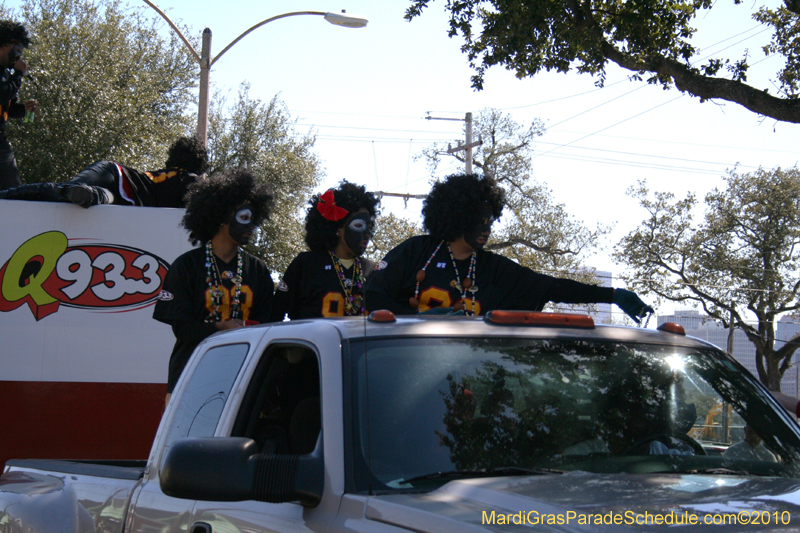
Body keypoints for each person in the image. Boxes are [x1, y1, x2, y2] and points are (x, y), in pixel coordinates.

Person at [364, 173, 654, 320]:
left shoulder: (493, 268)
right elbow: (373, 295)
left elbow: (550, 287)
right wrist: (417, 320)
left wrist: (613, 295)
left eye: (491, 220)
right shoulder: (416, 251)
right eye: (480, 220)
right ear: (457, 215)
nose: (487, 228)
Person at [153, 168, 274, 396]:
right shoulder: (187, 266)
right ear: (221, 217)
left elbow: (268, 323)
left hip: (240, 380)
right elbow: (181, 328)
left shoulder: (257, 270)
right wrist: (219, 328)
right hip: (190, 376)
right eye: (245, 218)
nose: (251, 226)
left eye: (254, 219)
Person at [269, 180, 380, 321]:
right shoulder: (306, 265)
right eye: (359, 225)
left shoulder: (373, 271)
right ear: (338, 229)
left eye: (370, 227)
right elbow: (275, 313)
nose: (367, 233)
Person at [0, 135, 208, 207]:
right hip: (118, 179)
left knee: (87, 196)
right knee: (63, 191)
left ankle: (91, 194)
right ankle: (5, 196)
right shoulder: (189, 178)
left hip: (119, 190)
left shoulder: (170, 175)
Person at [0, 20, 38, 190]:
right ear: (4, 45)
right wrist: (18, 75)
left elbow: (7, 107)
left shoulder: (6, 74)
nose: (18, 55)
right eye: (16, 49)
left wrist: (24, 109)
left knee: (12, 189)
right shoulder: (12, 75)